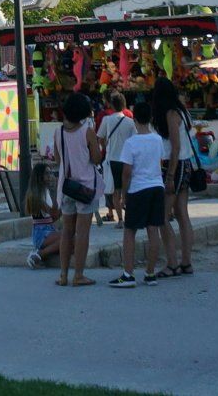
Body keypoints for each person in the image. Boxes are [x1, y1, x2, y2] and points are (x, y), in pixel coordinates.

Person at [109, 102, 166, 288]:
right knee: (153, 229)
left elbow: (127, 171)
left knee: (130, 231)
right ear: (150, 118)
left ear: (134, 120)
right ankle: (150, 273)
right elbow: (160, 162)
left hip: (138, 188)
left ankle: (128, 274)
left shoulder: (131, 143)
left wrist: (124, 194)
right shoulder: (157, 139)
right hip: (157, 186)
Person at [51, 91, 104, 287]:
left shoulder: (59, 132)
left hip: (66, 187)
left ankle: (63, 274)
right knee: (82, 233)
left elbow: (58, 160)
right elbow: (96, 158)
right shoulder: (87, 132)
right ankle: (79, 275)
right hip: (85, 188)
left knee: (67, 231)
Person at [151, 75, 196, 277]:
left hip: (175, 166)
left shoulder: (170, 114)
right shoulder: (182, 111)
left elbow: (175, 147)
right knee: (182, 214)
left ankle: (172, 262)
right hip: (186, 164)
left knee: (163, 216)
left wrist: (169, 177)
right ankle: (186, 261)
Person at [97, 91, 133, 226]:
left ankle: (120, 220)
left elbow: (100, 137)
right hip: (127, 160)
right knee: (127, 190)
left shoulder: (107, 120)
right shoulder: (130, 122)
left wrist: (105, 145)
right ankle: (129, 216)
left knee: (115, 192)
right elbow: (134, 140)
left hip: (112, 159)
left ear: (112, 105)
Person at [23, 161, 61, 268]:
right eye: (46, 174)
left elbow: (52, 218)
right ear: (39, 177)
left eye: (50, 173)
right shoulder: (37, 196)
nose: (50, 177)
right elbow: (54, 214)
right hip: (42, 234)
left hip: (49, 229)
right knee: (69, 237)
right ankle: (38, 255)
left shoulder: (45, 191)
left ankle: (41, 253)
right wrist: (59, 193)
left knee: (72, 242)